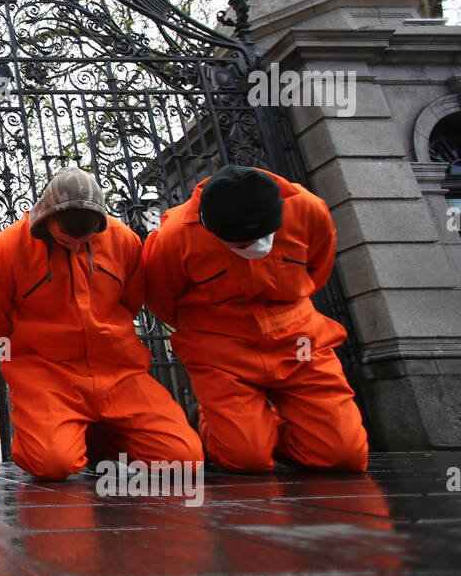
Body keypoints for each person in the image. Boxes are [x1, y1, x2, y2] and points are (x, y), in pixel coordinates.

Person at [0, 166, 203, 479]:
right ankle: (67, 433)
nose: (75, 247)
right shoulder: (6, 249)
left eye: (86, 240)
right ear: (45, 222)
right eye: (65, 240)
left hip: (119, 371)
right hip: (46, 374)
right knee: (51, 464)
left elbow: (131, 302)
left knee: (184, 461)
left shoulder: (123, 240)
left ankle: (97, 435)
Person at [142, 164, 369, 473]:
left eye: (264, 236)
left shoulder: (307, 208)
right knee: (245, 459)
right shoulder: (173, 236)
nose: (256, 248)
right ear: (209, 226)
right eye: (241, 244)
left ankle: (262, 429)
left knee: (344, 455)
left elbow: (318, 267)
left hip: (299, 340)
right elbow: (160, 299)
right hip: (220, 346)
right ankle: (223, 426)